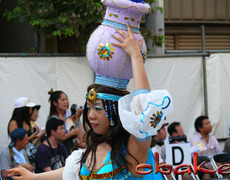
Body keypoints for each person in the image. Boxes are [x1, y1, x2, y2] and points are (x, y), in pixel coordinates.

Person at [6, 18, 173, 180]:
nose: (91, 115)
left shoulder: (132, 150)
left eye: (98, 108)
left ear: (115, 112)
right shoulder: (88, 151)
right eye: (89, 108)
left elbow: (144, 109)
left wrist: (136, 57)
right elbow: (69, 172)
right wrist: (34, 178)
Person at [48, 90, 80, 154]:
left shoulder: (67, 116)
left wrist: (78, 117)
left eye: (67, 99)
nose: (66, 102)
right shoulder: (53, 118)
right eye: (63, 100)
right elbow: (59, 138)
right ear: (55, 103)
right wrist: (72, 133)